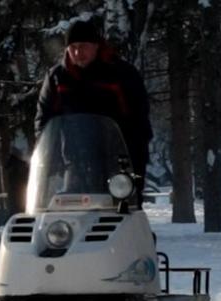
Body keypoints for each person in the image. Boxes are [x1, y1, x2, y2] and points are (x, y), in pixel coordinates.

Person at [35, 19, 152, 204]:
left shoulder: (122, 74)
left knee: (121, 213)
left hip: (119, 163)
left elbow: (139, 120)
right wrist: (48, 156)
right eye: (72, 47)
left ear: (96, 46)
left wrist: (135, 161)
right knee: (72, 216)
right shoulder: (57, 78)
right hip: (75, 162)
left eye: (83, 46)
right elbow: (44, 121)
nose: (77, 52)